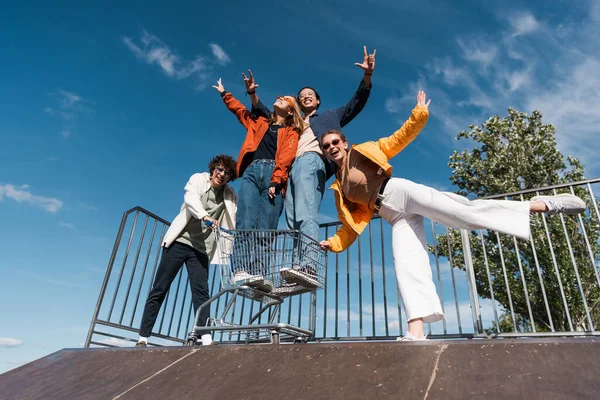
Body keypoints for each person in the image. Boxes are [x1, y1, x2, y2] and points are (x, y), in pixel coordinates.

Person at [318, 91, 587, 341]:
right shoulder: (339, 186)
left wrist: (419, 114)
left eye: (335, 142)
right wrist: (335, 243)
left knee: (462, 213)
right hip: (391, 215)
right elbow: (351, 224)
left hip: (401, 192)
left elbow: (399, 138)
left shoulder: (364, 151)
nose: (332, 147)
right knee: (406, 264)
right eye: (326, 145)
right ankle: (416, 332)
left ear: (345, 142)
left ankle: (539, 205)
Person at [245, 47, 376, 287]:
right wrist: (253, 96)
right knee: (292, 219)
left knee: (306, 213)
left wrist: (367, 76)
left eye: (310, 94)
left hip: (311, 161)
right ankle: (299, 266)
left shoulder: (329, 116)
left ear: (316, 100)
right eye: (302, 94)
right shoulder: (293, 123)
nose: (305, 96)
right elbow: (267, 114)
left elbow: (355, 103)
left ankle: (309, 264)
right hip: (292, 168)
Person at [136, 155, 238, 347]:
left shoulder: (229, 194)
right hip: (180, 242)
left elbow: (234, 215)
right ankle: (143, 337)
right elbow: (190, 199)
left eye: (227, 172)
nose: (222, 175)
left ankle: (205, 338)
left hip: (201, 249)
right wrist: (205, 216)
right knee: (160, 287)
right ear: (213, 169)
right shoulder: (198, 179)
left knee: (201, 293)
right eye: (219, 169)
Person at [212, 78, 303, 291]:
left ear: (291, 111)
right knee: (245, 221)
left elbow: (287, 158)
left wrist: (276, 180)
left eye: (285, 99)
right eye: (279, 97)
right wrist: (225, 93)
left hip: (274, 175)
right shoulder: (259, 123)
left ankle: (259, 273)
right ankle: (240, 270)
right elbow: (240, 111)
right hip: (252, 172)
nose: (279, 98)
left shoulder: (291, 132)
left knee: (266, 228)